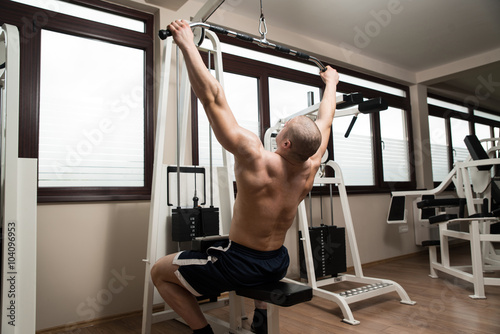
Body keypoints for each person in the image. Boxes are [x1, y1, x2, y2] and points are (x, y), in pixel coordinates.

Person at [151, 19, 339, 334]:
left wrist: (186, 43)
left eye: (283, 130)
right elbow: (326, 120)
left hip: (239, 264)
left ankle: (203, 331)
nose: (278, 131)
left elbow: (212, 98)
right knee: (254, 265)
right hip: (278, 260)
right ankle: (260, 320)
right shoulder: (312, 164)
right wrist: (331, 83)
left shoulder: (255, 157)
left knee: (159, 271)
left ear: (285, 142)